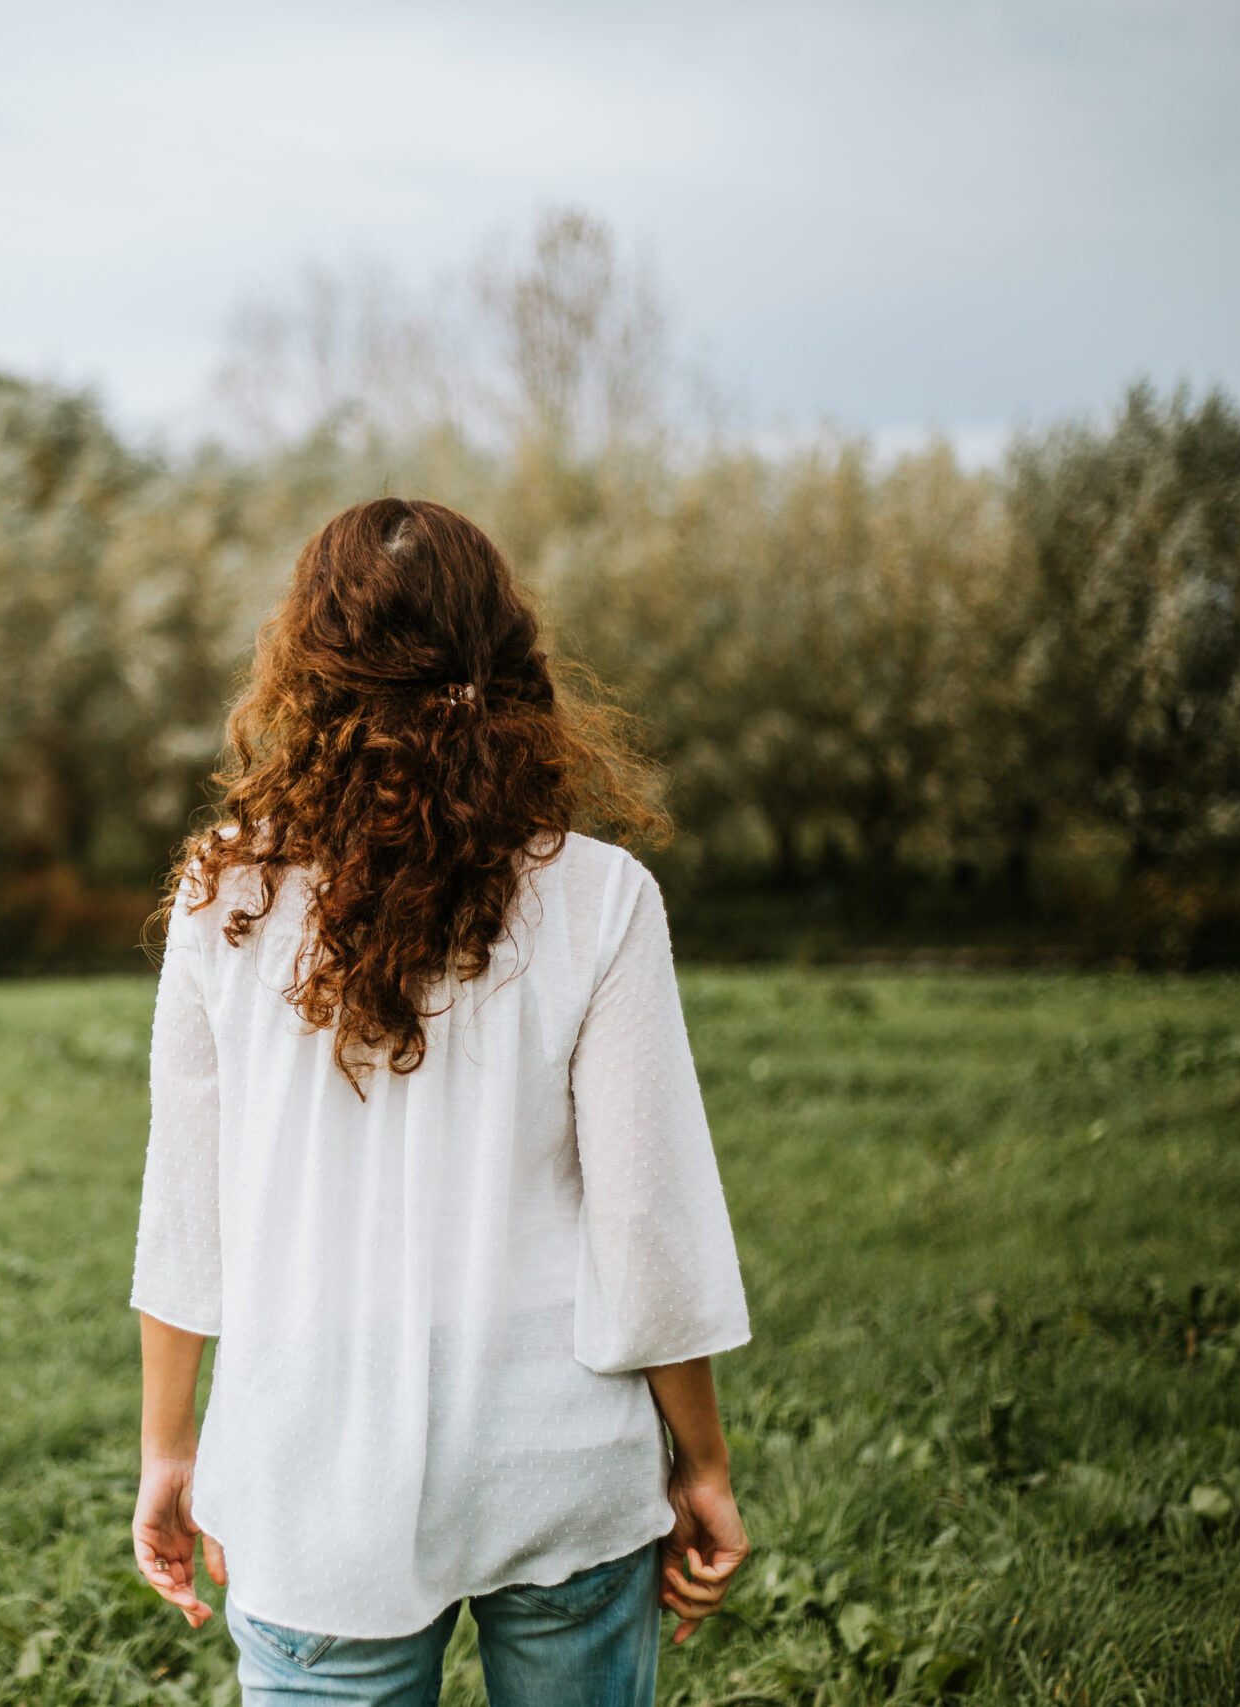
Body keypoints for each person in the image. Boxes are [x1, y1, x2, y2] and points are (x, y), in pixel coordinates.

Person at [128, 498, 751, 1707]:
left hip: (310, 1472)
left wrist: (168, 1446)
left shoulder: (223, 895)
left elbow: (185, 1212)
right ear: (506, 656)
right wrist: (704, 1462)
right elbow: (647, 1218)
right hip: (556, 1456)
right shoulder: (601, 896)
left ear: (303, 666)